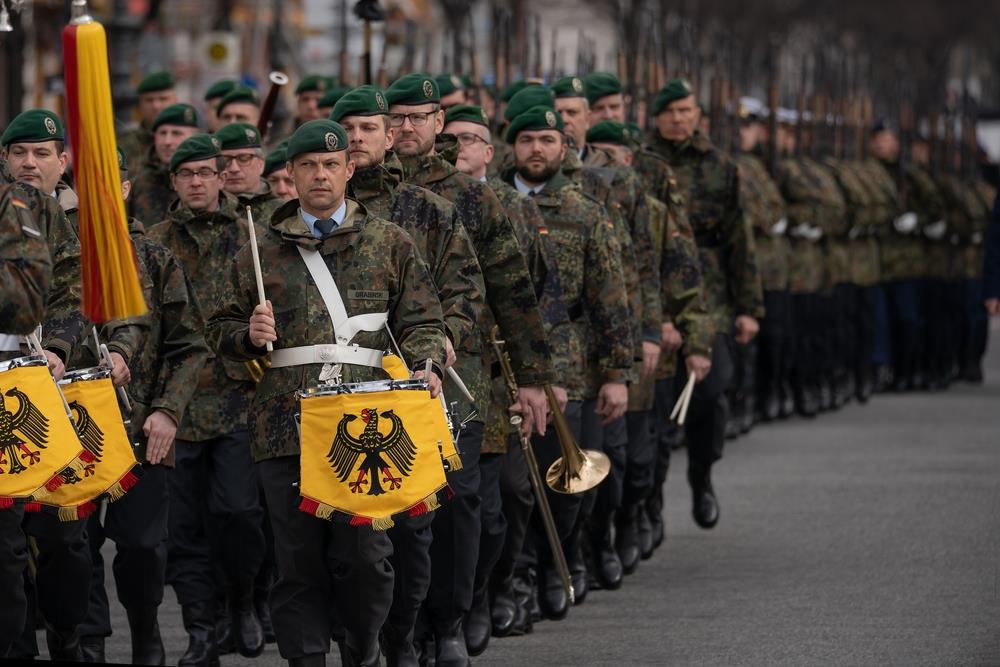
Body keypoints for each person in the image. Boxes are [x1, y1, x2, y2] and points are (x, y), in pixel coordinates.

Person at [206, 118, 447, 667]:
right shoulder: (258, 248)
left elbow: (423, 321)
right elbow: (215, 328)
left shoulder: (389, 241)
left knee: (365, 557)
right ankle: (307, 658)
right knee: (297, 561)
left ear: (350, 169)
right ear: (289, 173)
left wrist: (428, 361)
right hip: (284, 425)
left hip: (366, 425)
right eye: (308, 165)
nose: (320, 175)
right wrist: (246, 335)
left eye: (331, 165)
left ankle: (362, 646)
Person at [387, 73, 553, 666]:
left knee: (461, 503)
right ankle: (399, 625)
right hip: (383, 371)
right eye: (396, 117)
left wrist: (532, 379)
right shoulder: (362, 192)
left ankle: (452, 617)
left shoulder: (470, 195)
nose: (406, 127)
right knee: (399, 500)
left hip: (462, 371)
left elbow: (512, 288)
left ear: (440, 123)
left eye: (418, 116)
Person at [331, 84, 487, 667]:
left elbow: (465, 291)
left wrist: (445, 340)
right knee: (353, 528)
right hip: (341, 390)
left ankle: (437, 626)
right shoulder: (320, 213)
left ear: (389, 134)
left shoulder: (426, 209)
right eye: (345, 131)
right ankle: (363, 637)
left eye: (368, 129)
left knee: (422, 523)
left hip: (419, 383)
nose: (356, 140)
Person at [442, 103, 569, 651]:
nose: (460, 148)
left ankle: (500, 581)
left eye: (471, 139)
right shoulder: (420, 204)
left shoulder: (508, 208)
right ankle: (466, 602)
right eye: (453, 139)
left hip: (500, 375)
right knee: (463, 501)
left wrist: (542, 373)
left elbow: (535, 294)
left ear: (490, 152)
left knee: (507, 501)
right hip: (450, 371)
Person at [78, 148, 210, 665]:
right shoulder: (55, 259)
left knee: (141, 546)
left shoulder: (152, 258)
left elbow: (190, 345)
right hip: (72, 431)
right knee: (74, 546)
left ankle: (144, 629)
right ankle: (87, 641)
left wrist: (170, 411)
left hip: (142, 427)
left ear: (128, 189)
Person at [500, 104, 632, 621]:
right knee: (517, 481)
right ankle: (525, 571)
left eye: (547, 140)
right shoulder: (494, 204)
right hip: (510, 365)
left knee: (564, 479)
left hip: (571, 362)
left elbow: (611, 298)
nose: (537, 149)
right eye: (527, 139)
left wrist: (617, 375)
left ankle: (565, 558)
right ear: (511, 146)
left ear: (564, 148)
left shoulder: (585, 212)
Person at [147, 134, 267, 665]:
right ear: (173, 183)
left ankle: (242, 598)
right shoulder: (153, 242)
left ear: (223, 177)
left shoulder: (255, 237)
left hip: (240, 398)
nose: (197, 182)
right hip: (175, 404)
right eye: (186, 174)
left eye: (205, 172)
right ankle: (202, 627)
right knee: (183, 528)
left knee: (240, 512)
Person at [648, 78, 763, 529]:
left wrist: (749, 307)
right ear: (656, 117)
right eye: (670, 111)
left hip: (708, 295)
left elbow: (741, 241)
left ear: (698, 115)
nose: (678, 119)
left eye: (686, 111)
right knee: (656, 407)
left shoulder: (720, 166)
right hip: (655, 291)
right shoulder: (644, 163)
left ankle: (702, 475)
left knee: (711, 396)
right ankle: (650, 502)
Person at [1, 110, 91, 660]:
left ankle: (67, 631)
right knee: (5, 548)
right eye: (19, 153)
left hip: (39, 383)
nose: (28, 163)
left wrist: (57, 349)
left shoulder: (44, 216)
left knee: (63, 539)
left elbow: (69, 294)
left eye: (41, 153)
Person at [129, 103, 200, 224]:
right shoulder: (136, 178)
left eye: (176, 133)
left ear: (194, 137)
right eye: (162, 133)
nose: (167, 141)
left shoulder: (207, 176)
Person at [215, 122, 281, 222]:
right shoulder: (206, 209)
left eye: (244, 158)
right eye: (225, 160)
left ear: (261, 164)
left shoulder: (283, 212)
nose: (234, 168)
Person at [119, 71, 178, 175]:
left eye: (163, 99)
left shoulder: (190, 140)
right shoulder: (125, 144)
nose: (156, 106)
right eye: (149, 100)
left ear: (175, 100)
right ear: (140, 104)